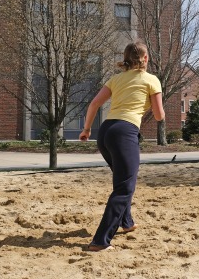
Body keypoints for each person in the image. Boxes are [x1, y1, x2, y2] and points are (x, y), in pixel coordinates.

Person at [79, 41, 164, 252]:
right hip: (124, 132)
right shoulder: (151, 80)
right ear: (145, 59)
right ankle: (100, 240)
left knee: (122, 179)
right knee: (125, 187)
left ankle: (127, 222)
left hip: (105, 132)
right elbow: (160, 115)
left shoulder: (115, 79)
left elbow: (94, 104)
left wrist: (87, 129)